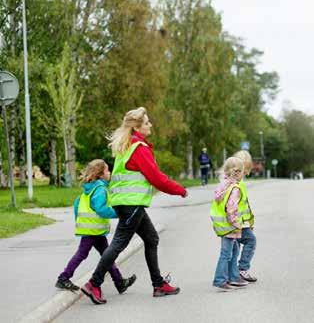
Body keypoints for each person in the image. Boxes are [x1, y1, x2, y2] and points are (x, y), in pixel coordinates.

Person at [81, 107, 188, 305]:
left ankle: (158, 285)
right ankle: (93, 284)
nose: (150, 125)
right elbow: (156, 177)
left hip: (127, 204)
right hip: (132, 205)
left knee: (151, 238)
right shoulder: (138, 148)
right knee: (118, 244)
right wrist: (179, 189)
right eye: (147, 123)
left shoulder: (126, 146)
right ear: (138, 127)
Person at [55, 159, 136, 295]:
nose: (109, 172)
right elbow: (101, 208)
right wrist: (118, 214)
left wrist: (79, 221)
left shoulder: (89, 188)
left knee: (107, 256)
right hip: (92, 231)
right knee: (83, 254)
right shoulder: (100, 189)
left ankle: (119, 282)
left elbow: (77, 205)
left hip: (94, 230)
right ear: (100, 174)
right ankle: (63, 278)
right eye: (107, 170)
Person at [210, 156, 249, 291]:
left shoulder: (223, 185)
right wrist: (236, 224)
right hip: (230, 226)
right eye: (242, 171)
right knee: (226, 253)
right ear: (238, 172)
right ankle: (220, 280)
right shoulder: (235, 188)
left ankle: (233, 277)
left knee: (234, 250)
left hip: (222, 226)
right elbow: (231, 208)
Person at [233, 150, 257, 283]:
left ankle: (233, 271)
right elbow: (236, 207)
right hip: (238, 223)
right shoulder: (236, 185)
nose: (244, 174)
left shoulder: (236, 183)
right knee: (251, 241)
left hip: (239, 223)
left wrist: (250, 222)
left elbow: (245, 206)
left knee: (234, 247)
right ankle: (242, 269)